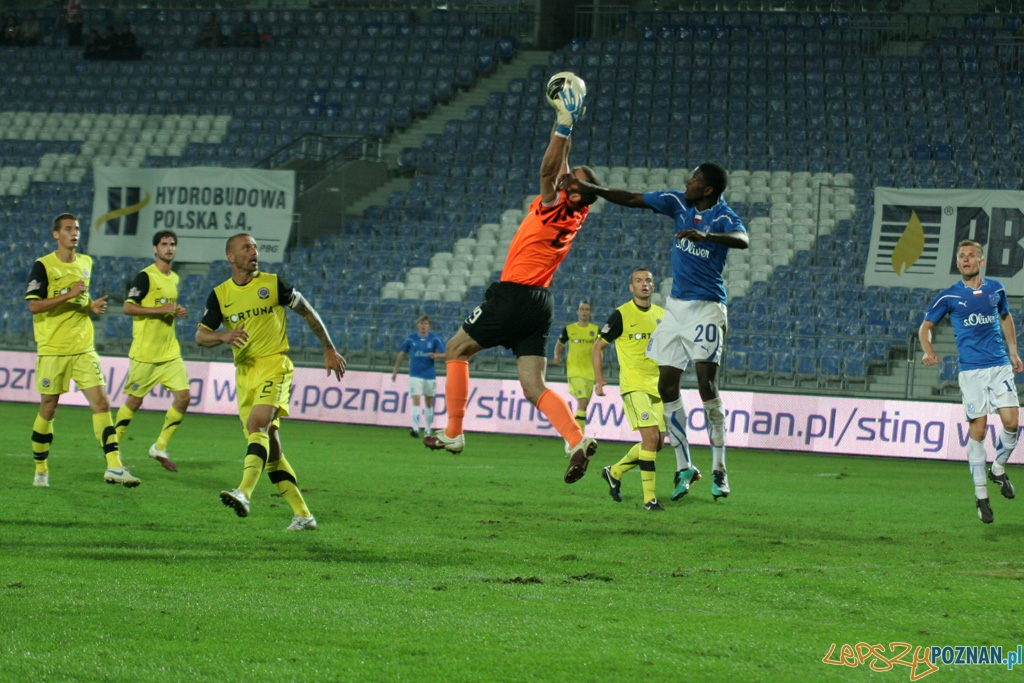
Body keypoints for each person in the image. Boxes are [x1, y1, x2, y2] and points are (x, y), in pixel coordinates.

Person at [423, 74, 601, 484]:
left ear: (572, 192)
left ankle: (453, 433)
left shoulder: (554, 204)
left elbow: (548, 169)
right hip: (540, 305)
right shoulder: (579, 209)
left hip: (513, 294)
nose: (563, 178)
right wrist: (569, 121)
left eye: (570, 182)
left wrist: (562, 125)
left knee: (456, 349)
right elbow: (565, 166)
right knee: (533, 385)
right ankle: (575, 439)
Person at [569, 163, 748, 501]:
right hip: (676, 308)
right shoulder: (677, 203)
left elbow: (743, 239)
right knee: (667, 385)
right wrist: (597, 191)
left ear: (708, 189)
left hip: (707, 308)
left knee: (707, 385)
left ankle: (720, 469)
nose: (688, 181)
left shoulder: (723, 217)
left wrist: (707, 236)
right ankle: (684, 467)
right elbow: (633, 198)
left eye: (694, 179)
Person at [196, 234, 346, 531]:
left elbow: (307, 312)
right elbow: (201, 335)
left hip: (275, 364)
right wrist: (223, 335)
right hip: (244, 374)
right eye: (246, 248)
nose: (254, 252)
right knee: (272, 451)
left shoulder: (273, 284)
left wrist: (329, 349)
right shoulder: (220, 295)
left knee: (257, 426)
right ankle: (303, 515)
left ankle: (244, 492)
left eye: (255, 247)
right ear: (231, 257)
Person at [24, 213, 140, 488]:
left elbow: (80, 293)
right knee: (49, 409)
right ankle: (41, 468)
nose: (74, 233)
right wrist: (68, 294)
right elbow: (34, 305)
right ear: (56, 234)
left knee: (101, 403)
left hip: (83, 348)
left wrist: (90, 305)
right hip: (53, 349)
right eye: (68, 229)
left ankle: (114, 466)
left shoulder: (86, 262)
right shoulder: (43, 266)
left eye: (76, 228)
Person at [920, 239, 1022, 524]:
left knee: (1012, 423)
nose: (965, 260)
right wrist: (928, 350)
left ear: (981, 260)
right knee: (978, 432)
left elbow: (1005, 316)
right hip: (972, 372)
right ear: (957, 263)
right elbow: (925, 327)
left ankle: (998, 468)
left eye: (970, 256)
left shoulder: (995, 289)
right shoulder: (949, 297)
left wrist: (1013, 352)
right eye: (961, 256)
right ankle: (981, 497)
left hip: (999, 365)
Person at [114, 230, 190, 473]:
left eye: (172, 244)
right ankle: (112, 446)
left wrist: (176, 310)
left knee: (184, 397)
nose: (169, 248)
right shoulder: (145, 277)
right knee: (134, 402)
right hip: (146, 354)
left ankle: (160, 446)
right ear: (155, 249)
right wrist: (161, 310)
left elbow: (165, 306)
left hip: (169, 352)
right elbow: (127, 308)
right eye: (164, 244)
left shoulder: (175, 278)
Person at [594, 269, 667, 511]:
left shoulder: (661, 315)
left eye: (648, 280)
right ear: (631, 287)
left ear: (653, 287)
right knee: (649, 439)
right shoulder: (621, 315)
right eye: (638, 281)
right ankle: (649, 499)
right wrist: (599, 379)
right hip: (634, 385)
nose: (644, 284)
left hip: (658, 387)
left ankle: (614, 471)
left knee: (657, 444)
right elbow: (598, 347)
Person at [391, 315, 446, 437]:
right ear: (417, 325)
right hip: (415, 375)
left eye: (426, 324)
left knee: (429, 403)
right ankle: (415, 428)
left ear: (429, 326)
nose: (423, 326)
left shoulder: (435, 339)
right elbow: (402, 354)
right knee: (416, 400)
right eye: (421, 323)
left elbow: (446, 354)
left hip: (430, 375)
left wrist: (436, 356)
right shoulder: (411, 339)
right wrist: (395, 371)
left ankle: (427, 429)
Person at [552, 299, 598, 441]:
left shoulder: (595, 330)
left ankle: (571, 435)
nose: (584, 312)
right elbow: (559, 344)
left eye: (587, 309)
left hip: (590, 373)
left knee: (583, 408)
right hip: (575, 371)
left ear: (590, 313)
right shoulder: (569, 329)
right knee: (582, 401)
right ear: (578, 312)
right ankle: (578, 439)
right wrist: (557, 356)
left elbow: (600, 347)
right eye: (582, 309)